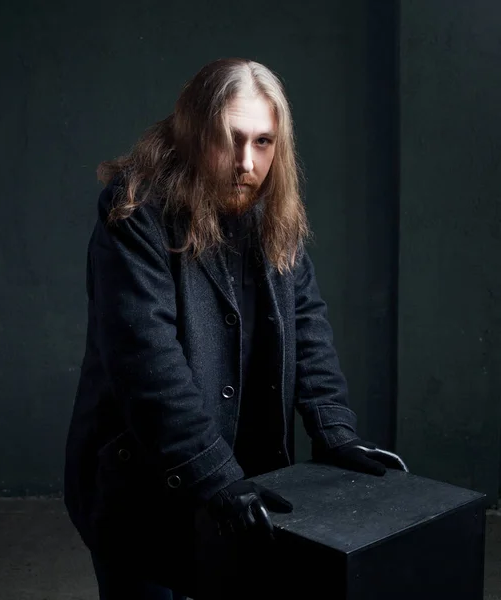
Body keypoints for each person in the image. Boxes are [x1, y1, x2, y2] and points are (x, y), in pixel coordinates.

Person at [64, 57, 407, 600]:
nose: (246, 163)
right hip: (144, 493)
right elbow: (147, 364)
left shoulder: (275, 221)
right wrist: (215, 475)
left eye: (264, 142)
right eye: (230, 139)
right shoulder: (135, 215)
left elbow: (309, 329)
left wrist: (335, 432)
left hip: (247, 486)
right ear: (194, 133)